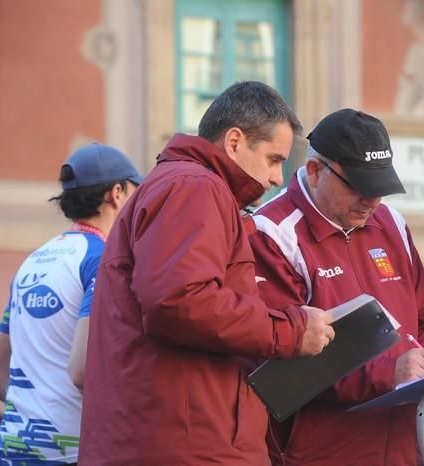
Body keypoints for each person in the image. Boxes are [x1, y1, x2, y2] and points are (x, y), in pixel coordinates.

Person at [78, 82, 335, 466]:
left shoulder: (185, 185)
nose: (278, 177)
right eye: (273, 159)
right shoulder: (194, 186)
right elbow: (180, 300)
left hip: (178, 435)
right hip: (185, 443)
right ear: (234, 142)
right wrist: (292, 330)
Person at [249, 108, 424, 466]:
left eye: (381, 189)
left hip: (404, 448)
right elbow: (280, 362)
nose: (373, 202)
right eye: (359, 187)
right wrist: (391, 372)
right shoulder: (271, 233)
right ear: (315, 170)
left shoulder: (391, 223)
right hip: (325, 452)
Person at [0, 143, 142, 465]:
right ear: (116, 193)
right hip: (72, 450)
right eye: (136, 191)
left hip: (13, 444)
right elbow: (82, 370)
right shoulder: (104, 261)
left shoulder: (32, 261)